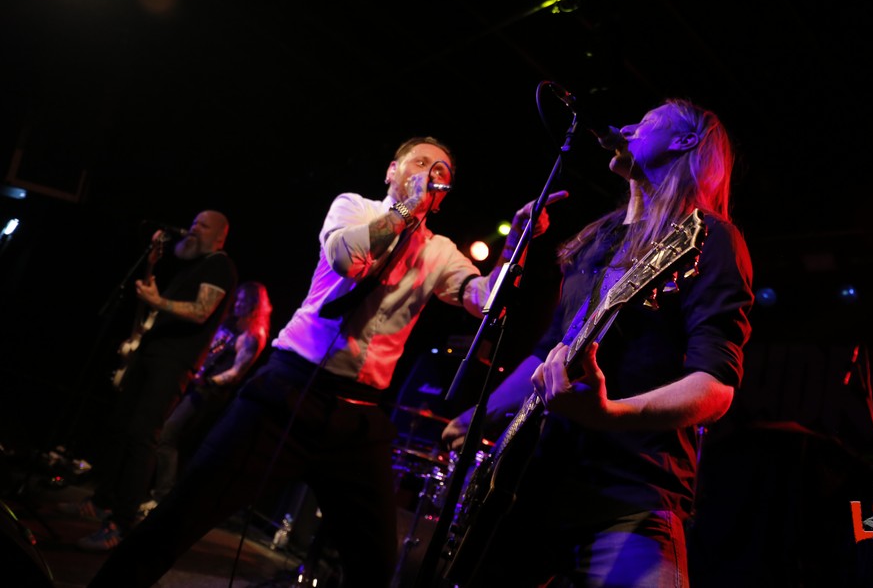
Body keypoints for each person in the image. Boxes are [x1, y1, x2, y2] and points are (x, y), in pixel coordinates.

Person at [86, 136, 565, 587]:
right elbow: (345, 258)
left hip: (358, 416)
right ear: (392, 171)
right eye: (420, 162)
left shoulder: (440, 252)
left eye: (441, 171)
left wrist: (518, 244)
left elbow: (484, 301)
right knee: (181, 516)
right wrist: (404, 212)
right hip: (287, 391)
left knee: (374, 565)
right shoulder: (353, 207)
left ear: (442, 197)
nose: (430, 173)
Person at [439, 98, 754, 587]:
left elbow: (715, 387)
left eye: (645, 122)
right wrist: (483, 415)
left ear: (685, 140)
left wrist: (609, 414)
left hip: (631, 495)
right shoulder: (597, 239)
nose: (625, 127)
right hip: (536, 485)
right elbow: (550, 352)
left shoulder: (709, 239)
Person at [59, 210, 237, 551]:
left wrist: (157, 301)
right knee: (122, 427)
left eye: (203, 226)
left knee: (143, 436)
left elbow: (201, 311)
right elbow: (156, 302)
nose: (193, 228)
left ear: (219, 237)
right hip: (152, 354)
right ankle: (101, 502)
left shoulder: (220, 265)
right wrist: (153, 264)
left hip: (174, 361)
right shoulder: (192, 265)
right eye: (194, 222)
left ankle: (122, 523)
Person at [141, 281, 272, 514]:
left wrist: (208, 381)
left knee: (168, 435)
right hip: (193, 382)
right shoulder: (229, 323)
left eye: (244, 301)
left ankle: (163, 497)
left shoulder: (252, 335)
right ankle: (149, 489)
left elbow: (235, 373)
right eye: (238, 298)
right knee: (160, 430)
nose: (238, 303)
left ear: (254, 305)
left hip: (207, 393)